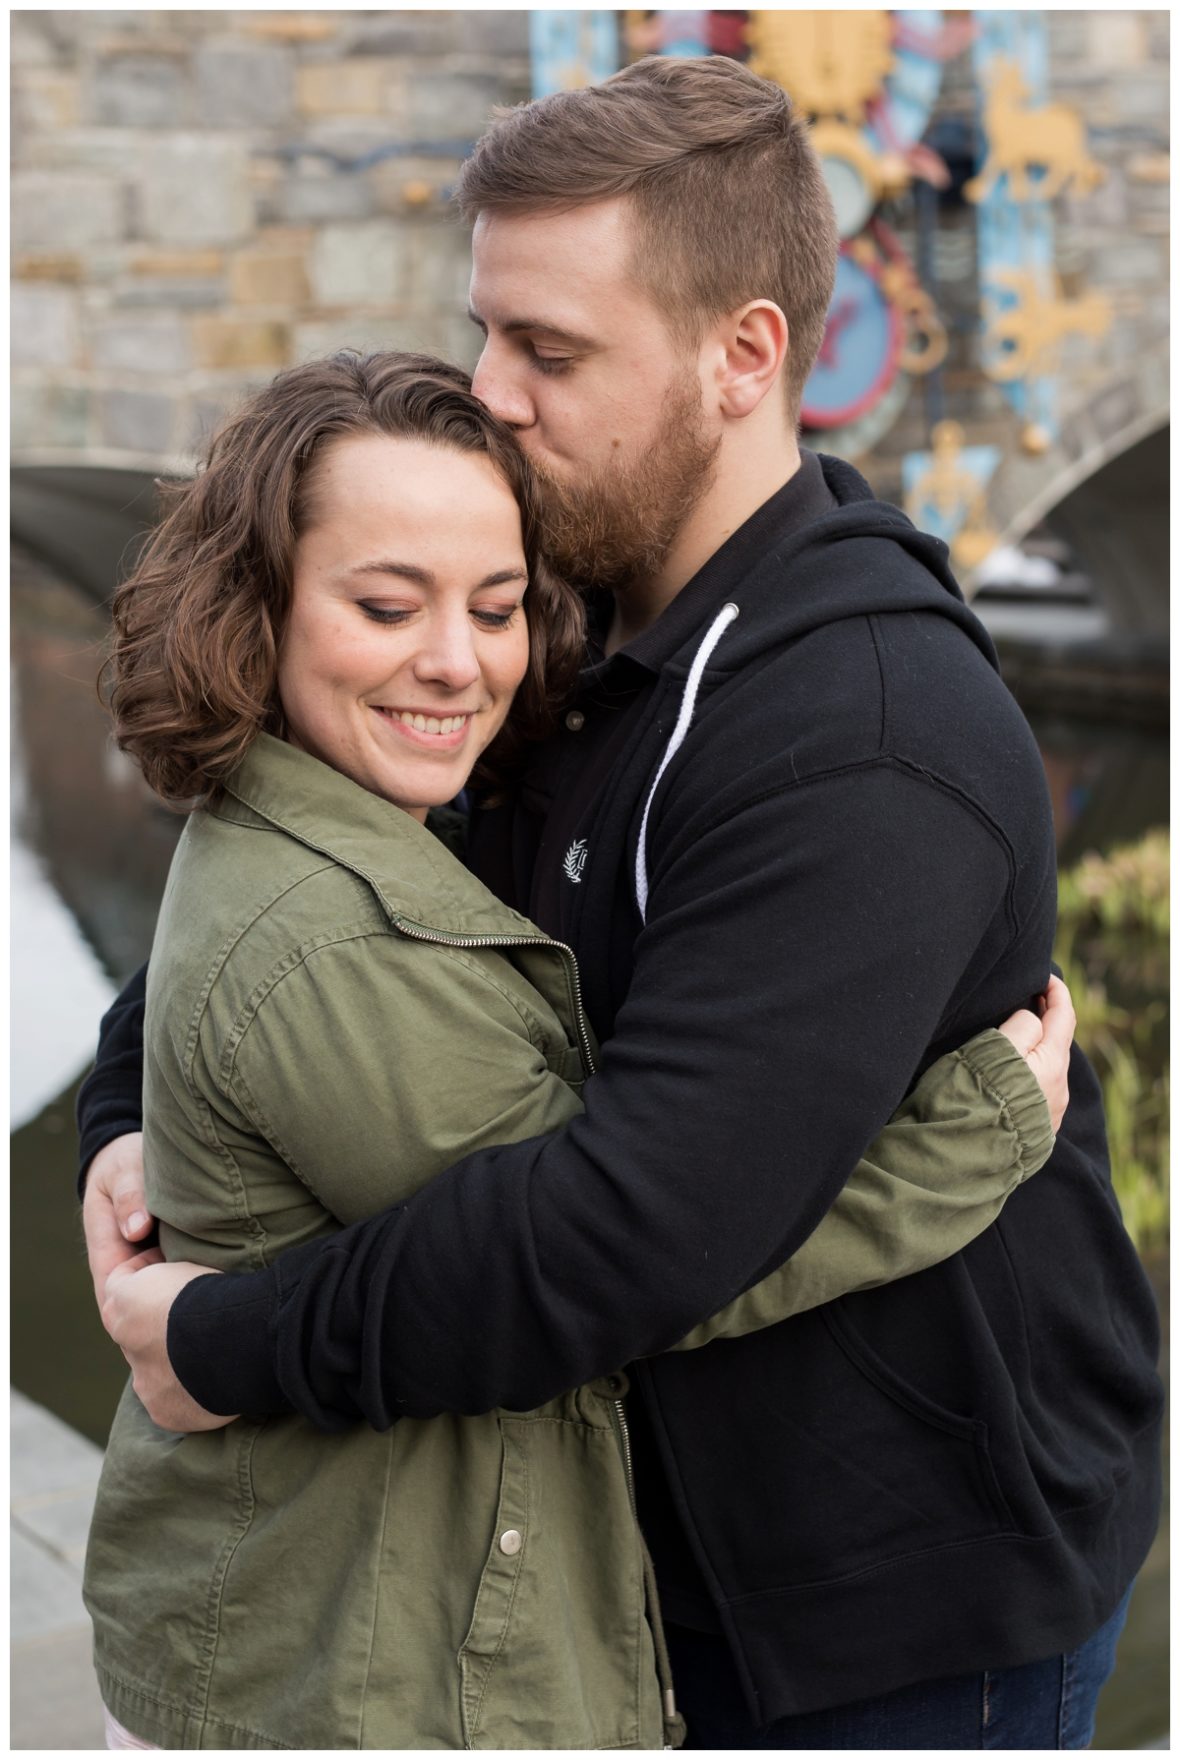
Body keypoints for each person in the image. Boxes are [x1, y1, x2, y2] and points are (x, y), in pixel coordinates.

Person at [80, 56, 1161, 1750]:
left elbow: (623, 1237)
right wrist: (128, 1134)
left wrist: (223, 1337)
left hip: (889, 1612)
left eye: (552, 351)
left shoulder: (863, 743)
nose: (493, 392)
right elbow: (283, 906)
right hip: (638, 1553)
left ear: (746, 357)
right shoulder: (548, 630)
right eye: (491, 329)